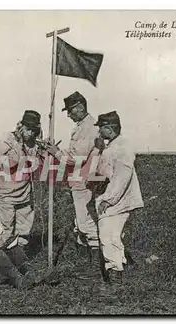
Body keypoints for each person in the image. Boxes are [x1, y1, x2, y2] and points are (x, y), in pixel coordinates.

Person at [44, 91, 100, 267]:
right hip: (79, 181)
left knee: (87, 225)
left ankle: (94, 267)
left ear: (81, 107)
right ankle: (85, 263)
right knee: (80, 223)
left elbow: (76, 159)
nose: (68, 115)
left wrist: (56, 153)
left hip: (84, 181)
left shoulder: (89, 128)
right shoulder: (83, 126)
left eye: (70, 110)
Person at [91, 111, 144, 285]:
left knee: (107, 236)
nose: (99, 131)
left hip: (118, 200)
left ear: (110, 128)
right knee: (113, 235)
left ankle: (115, 277)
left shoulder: (122, 147)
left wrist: (108, 199)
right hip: (114, 198)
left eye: (101, 128)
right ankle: (119, 269)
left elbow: (122, 176)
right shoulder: (113, 145)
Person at [0, 110, 45, 247]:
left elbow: (37, 164)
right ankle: (2, 257)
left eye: (34, 131)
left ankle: (20, 256)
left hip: (25, 192)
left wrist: (42, 151)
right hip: (7, 193)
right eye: (28, 130)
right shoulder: (7, 139)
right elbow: (3, 162)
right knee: (6, 228)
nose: (30, 134)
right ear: (20, 126)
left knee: (24, 229)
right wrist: (21, 150)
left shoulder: (33, 142)